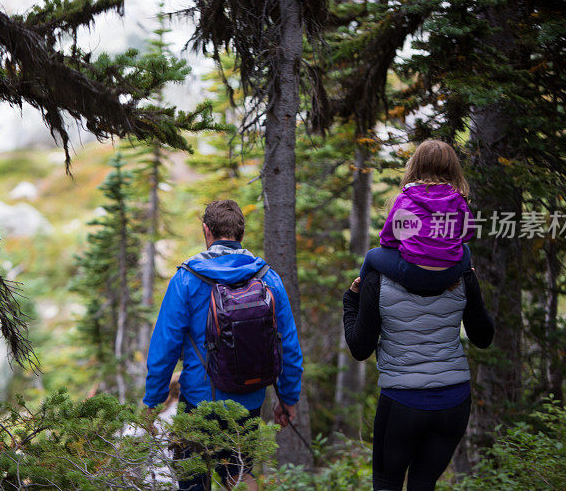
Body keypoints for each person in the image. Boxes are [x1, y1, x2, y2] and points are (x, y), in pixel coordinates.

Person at [144, 199, 304, 491]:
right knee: (239, 475)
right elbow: (288, 346)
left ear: (207, 231)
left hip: (199, 401)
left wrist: (152, 403)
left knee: (193, 481)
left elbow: (164, 349)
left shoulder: (186, 279)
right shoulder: (268, 278)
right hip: (250, 401)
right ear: (241, 234)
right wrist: (288, 398)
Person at [343, 262, 495, 491]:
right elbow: (483, 338)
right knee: (424, 482)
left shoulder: (377, 278)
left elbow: (360, 349)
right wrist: (472, 286)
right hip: (454, 402)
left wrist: (351, 300)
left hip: (402, 403)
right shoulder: (462, 274)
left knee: (387, 484)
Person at [359, 139, 474, 292]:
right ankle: (463, 289)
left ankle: (359, 295)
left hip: (412, 273)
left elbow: (387, 240)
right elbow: (467, 234)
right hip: (449, 274)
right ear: (452, 168)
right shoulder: (458, 199)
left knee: (372, 255)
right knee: (465, 250)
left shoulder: (406, 199)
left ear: (416, 165)